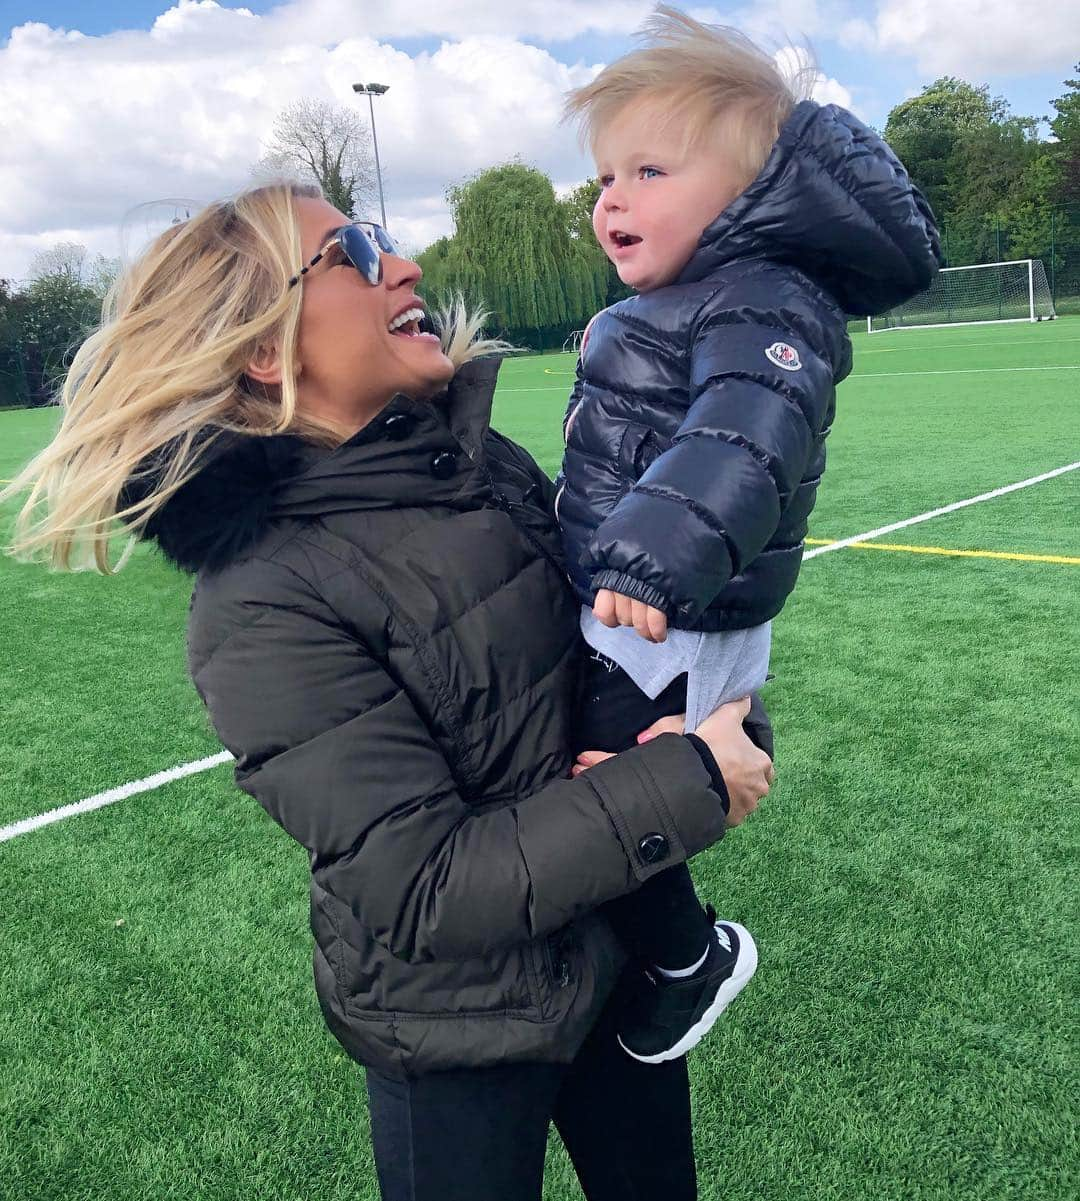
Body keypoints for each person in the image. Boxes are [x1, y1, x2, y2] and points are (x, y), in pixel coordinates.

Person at [2, 182, 775, 1200]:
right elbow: (425, 886)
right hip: (453, 1032)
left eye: (384, 240)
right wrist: (682, 783)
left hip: (617, 963)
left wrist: (714, 726)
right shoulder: (260, 602)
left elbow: (621, 663)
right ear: (266, 353)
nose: (404, 266)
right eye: (352, 253)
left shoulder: (486, 464)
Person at [556, 5, 942, 1063]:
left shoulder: (762, 300)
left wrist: (648, 553)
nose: (612, 200)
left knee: (602, 774)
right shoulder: (694, 297)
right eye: (604, 179)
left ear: (745, 194)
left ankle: (689, 958)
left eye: (647, 172)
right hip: (651, 603)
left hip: (670, 602)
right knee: (599, 767)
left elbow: (746, 439)